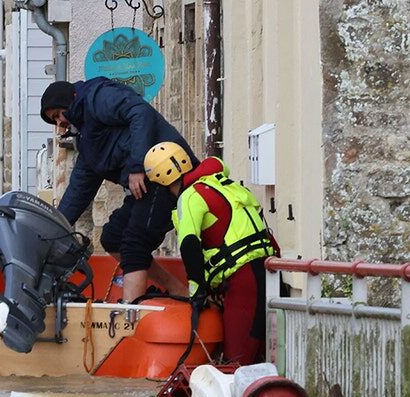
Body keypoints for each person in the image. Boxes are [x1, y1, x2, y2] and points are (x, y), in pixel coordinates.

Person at [40, 77, 199, 303]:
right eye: (54, 120)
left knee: (135, 242)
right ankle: (178, 290)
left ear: (70, 99)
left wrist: (137, 167)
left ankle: (130, 315)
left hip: (166, 174)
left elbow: (140, 112)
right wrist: (54, 228)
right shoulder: (88, 139)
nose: (60, 123)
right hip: (146, 184)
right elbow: (79, 189)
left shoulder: (97, 96)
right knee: (113, 237)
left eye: (58, 114)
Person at [144, 142, 276, 365]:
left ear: (162, 183)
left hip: (244, 281)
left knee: (237, 361)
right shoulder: (218, 183)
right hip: (266, 272)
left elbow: (189, 245)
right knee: (259, 357)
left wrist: (197, 293)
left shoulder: (188, 198)